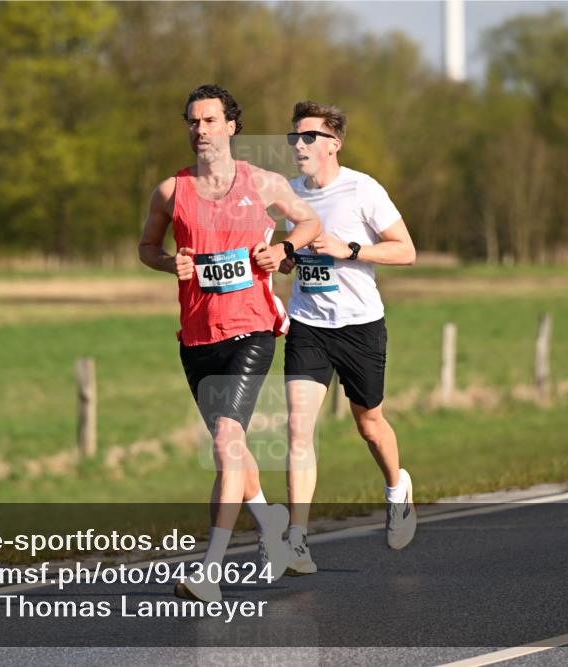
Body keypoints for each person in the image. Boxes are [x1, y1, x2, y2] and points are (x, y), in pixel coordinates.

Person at [138, 84, 321, 602]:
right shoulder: (171, 191)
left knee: (223, 442)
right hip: (197, 336)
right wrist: (165, 261)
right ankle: (270, 523)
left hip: (252, 328)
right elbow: (147, 246)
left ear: (231, 126)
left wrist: (283, 249)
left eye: (210, 121)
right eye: (193, 122)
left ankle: (210, 571)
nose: (201, 130)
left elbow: (310, 222)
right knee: (234, 446)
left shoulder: (261, 184)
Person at [278, 101, 417, 575]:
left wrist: (349, 249)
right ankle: (296, 539)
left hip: (359, 324)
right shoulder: (290, 194)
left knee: (369, 423)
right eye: (294, 137)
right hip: (308, 324)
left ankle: (397, 489)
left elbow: (407, 251)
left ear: (333, 144)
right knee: (298, 426)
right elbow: (286, 256)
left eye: (309, 137)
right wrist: (286, 258)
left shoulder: (363, 189)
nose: (299, 145)